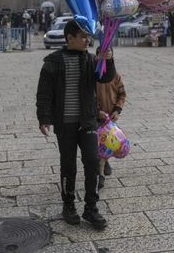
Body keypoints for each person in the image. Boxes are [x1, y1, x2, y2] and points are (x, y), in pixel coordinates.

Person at [36, 20, 116, 230]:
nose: (86, 40)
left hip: (87, 121)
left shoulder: (91, 60)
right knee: (68, 165)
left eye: (87, 36)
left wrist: (108, 58)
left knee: (92, 162)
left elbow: (105, 76)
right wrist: (44, 118)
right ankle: (68, 205)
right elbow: (44, 93)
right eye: (82, 37)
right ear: (69, 38)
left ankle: (91, 207)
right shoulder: (53, 62)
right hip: (65, 124)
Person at [95, 71, 127, 189]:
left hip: (110, 118)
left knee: (107, 144)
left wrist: (117, 110)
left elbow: (122, 94)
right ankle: (100, 174)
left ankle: (103, 163)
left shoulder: (115, 75)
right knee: (97, 145)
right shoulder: (93, 75)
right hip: (95, 117)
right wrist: (96, 112)